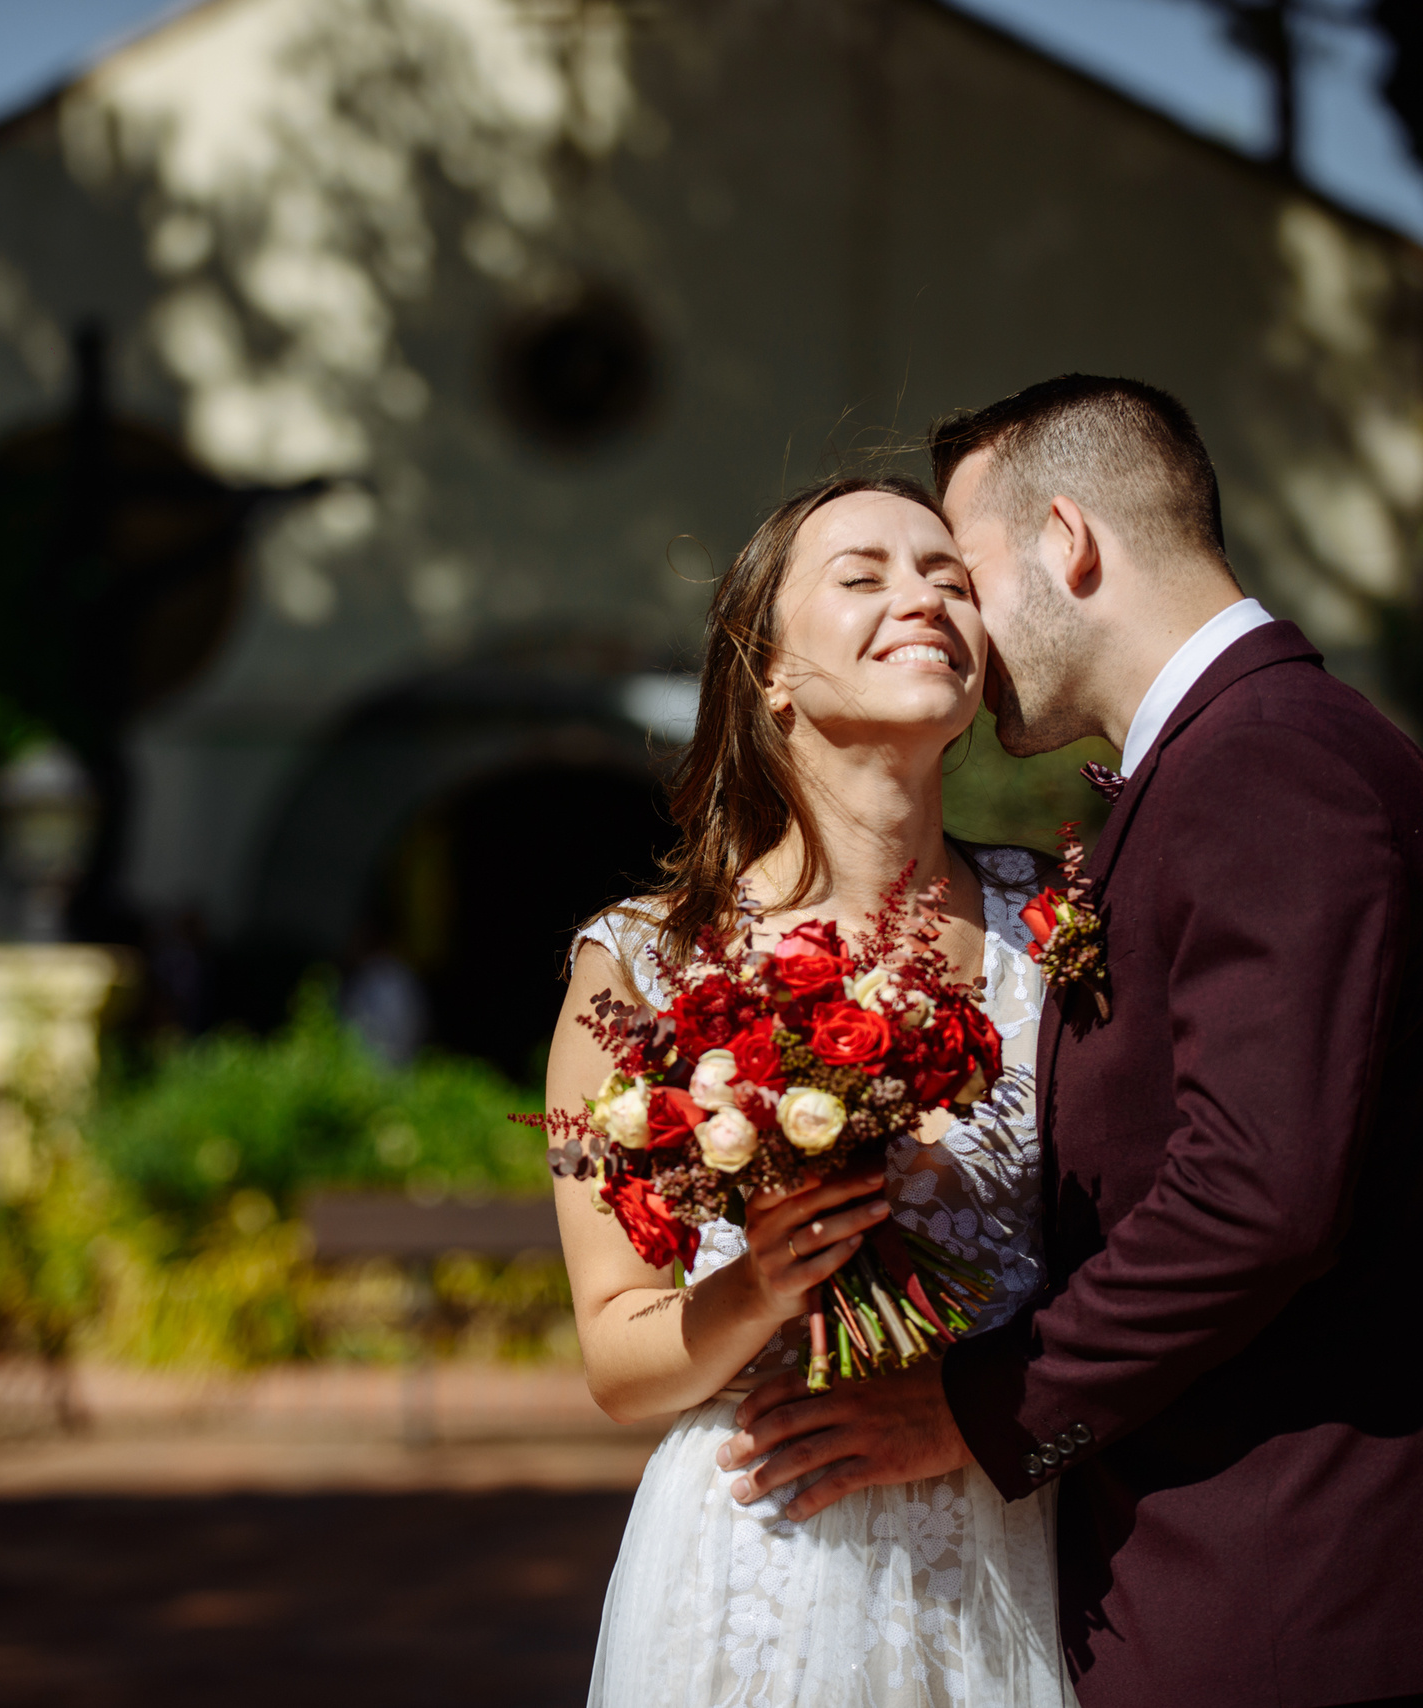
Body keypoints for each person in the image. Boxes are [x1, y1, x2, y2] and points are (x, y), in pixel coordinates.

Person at [719, 377, 1423, 1706]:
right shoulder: (1244, 759)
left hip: (1305, 1606)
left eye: (966, 569)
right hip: (1251, 1597)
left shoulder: (1266, 764)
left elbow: (1259, 1196)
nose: (957, 624)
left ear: (1069, 543)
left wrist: (975, 1410)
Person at [550, 473, 1072, 1705]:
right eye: (865, 575)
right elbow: (618, 1360)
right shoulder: (637, 968)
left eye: (949, 576)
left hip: (1020, 1530)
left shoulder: (1060, 932)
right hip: (766, 1545)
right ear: (767, 670)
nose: (924, 598)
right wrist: (760, 1281)